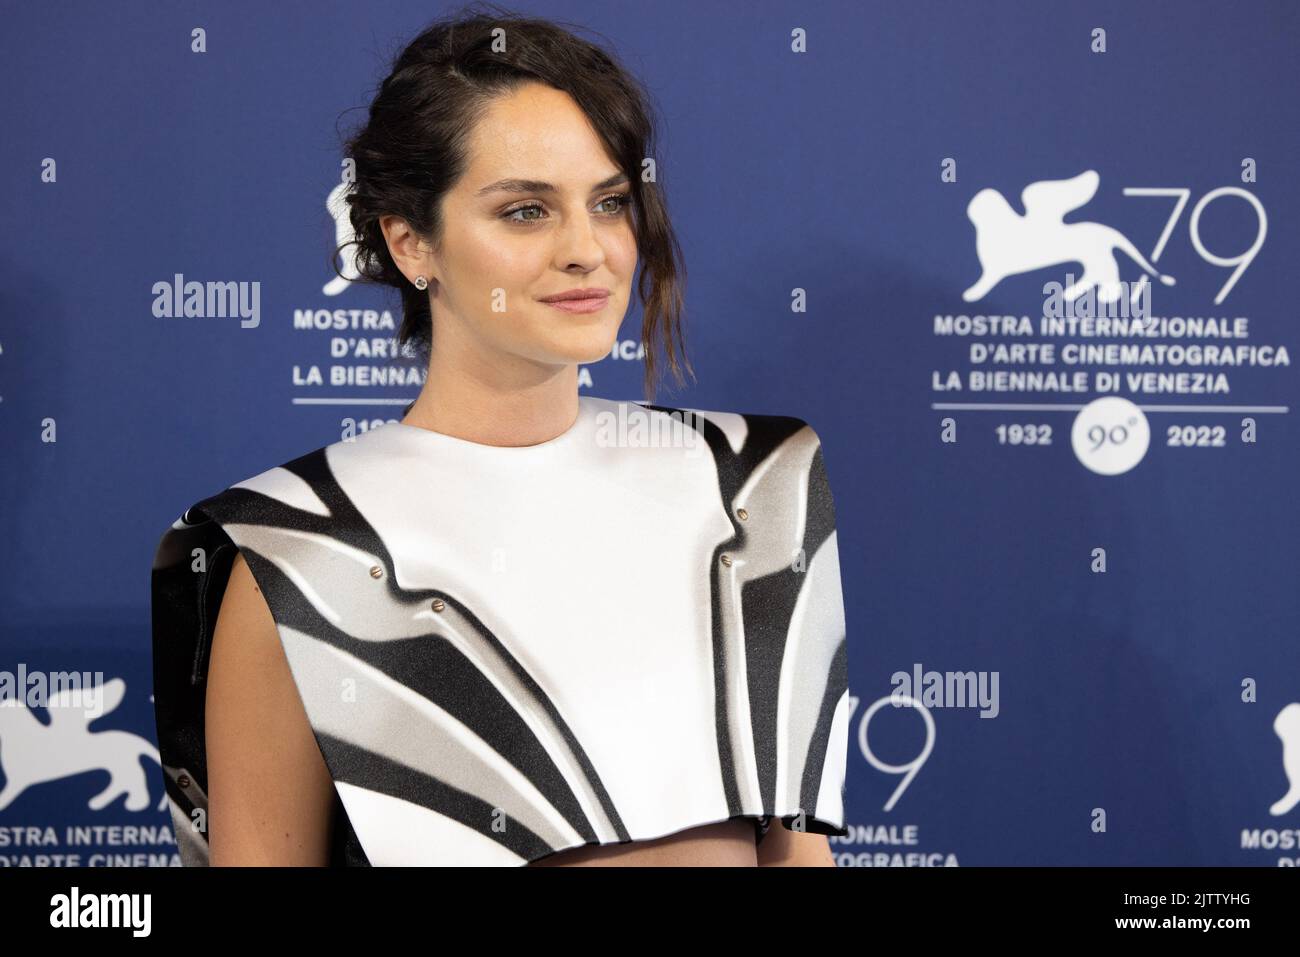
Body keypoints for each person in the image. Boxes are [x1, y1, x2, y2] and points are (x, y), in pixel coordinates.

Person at [150, 4, 850, 867]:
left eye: (610, 201)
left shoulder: (751, 488)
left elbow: (796, 856)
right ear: (410, 244)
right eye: (525, 211)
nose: (588, 249)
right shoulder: (299, 550)